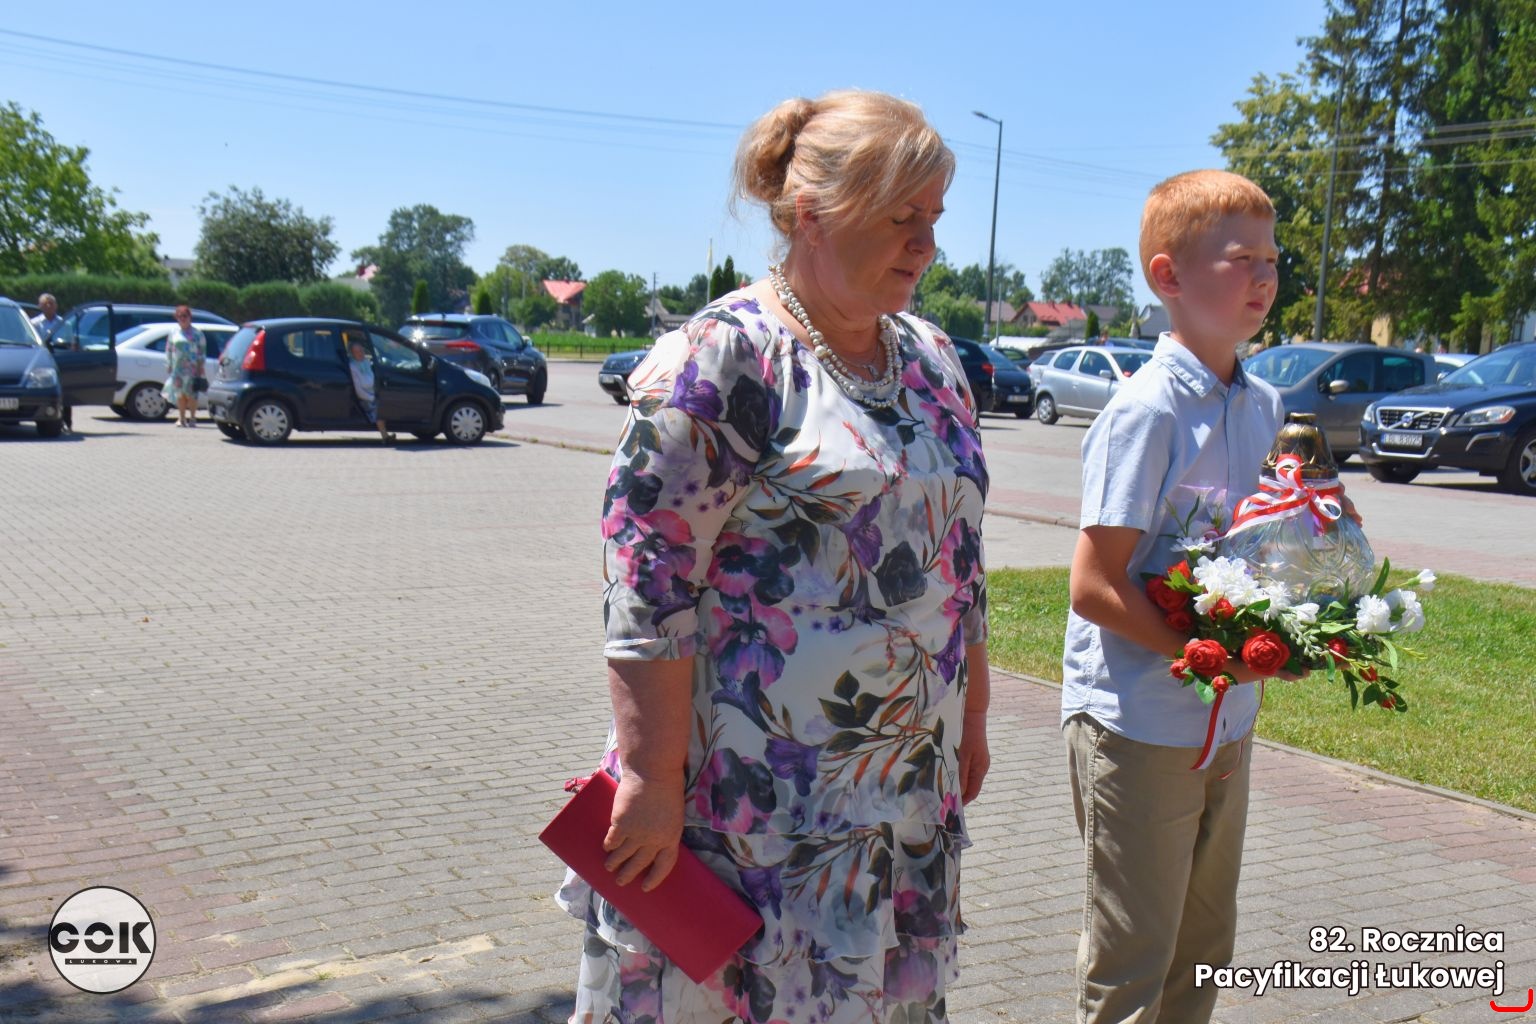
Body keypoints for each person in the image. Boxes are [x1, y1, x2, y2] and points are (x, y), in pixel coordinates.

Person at [558, 89, 992, 1023]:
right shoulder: (724, 359)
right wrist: (648, 779)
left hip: (901, 798)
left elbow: (963, 561)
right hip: (751, 811)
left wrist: (976, 715)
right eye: (901, 217)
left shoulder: (933, 360)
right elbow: (647, 584)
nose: (926, 244)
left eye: (934, 218)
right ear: (812, 214)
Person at [1061, 169, 1303, 1024]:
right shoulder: (1147, 412)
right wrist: (1207, 656)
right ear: (1168, 276)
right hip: (1141, 725)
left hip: (1228, 720)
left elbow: (1269, 548)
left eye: (1273, 260)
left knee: (1204, 949)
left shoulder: (1265, 405)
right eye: (1243, 260)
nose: (1266, 278)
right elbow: (1094, 586)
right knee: (1134, 962)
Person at [161, 305, 206, 427]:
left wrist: (200, 367)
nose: (182, 319)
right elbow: (169, 349)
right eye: (179, 316)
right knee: (180, 394)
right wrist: (169, 364)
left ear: (190, 317)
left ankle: (192, 418)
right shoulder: (173, 332)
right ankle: (181, 418)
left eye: (184, 316)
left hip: (193, 368)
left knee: (192, 394)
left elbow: (202, 351)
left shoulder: (198, 334)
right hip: (178, 368)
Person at [346, 340, 393, 443]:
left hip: (374, 393)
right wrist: (372, 398)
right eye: (357, 352)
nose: (360, 353)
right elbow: (359, 390)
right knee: (379, 411)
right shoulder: (353, 367)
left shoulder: (366, 362)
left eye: (361, 350)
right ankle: (385, 437)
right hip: (365, 397)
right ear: (352, 354)